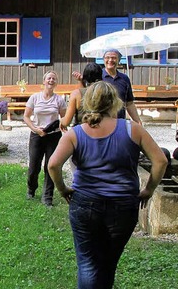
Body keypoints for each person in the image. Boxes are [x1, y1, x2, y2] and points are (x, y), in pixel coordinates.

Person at [48, 81, 167, 289]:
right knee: (108, 265)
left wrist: (62, 189)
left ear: (87, 103)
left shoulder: (75, 133)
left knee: (87, 265)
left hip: (85, 204)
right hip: (123, 206)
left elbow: (53, 164)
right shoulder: (133, 130)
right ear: (116, 103)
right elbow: (161, 161)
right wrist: (148, 189)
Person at [23, 71, 67, 206]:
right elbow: (26, 117)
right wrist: (35, 129)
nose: (51, 80)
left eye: (54, 78)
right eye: (49, 78)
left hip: (53, 136)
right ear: (44, 81)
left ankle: (47, 197)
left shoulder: (59, 100)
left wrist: (60, 126)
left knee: (50, 166)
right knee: (34, 166)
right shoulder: (35, 98)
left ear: (56, 82)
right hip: (37, 135)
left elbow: (64, 119)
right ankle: (31, 189)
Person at [73, 49, 142, 124]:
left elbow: (129, 103)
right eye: (107, 57)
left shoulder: (124, 79)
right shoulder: (98, 76)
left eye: (114, 58)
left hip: (120, 123)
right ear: (103, 59)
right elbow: (85, 96)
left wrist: (137, 121)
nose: (110, 60)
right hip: (101, 124)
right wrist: (80, 81)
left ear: (119, 60)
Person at [60, 63, 103, 132]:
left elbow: (66, 122)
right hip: (102, 132)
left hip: (82, 133)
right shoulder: (106, 93)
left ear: (85, 76)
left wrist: (61, 120)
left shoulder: (76, 94)